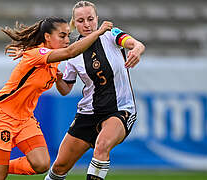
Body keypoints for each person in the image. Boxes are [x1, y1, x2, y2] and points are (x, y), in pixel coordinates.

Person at [0, 17, 113, 180]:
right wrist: (98, 32)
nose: (67, 40)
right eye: (62, 36)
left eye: (68, 36)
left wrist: (58, 78)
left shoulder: (51, 59)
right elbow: (70, 52)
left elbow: (65, 90)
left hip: (24, 119)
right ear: (47, 37)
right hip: (0, 116)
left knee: (41, 164)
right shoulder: (38, 54)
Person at [44, 1, 145, 180]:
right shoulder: (73, 53)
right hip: (88, 113)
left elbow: (135, 44)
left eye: (90, 19)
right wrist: (57, 77)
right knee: (59, 166)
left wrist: (136, 50)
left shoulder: (111, 35)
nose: (87, 24)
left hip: (120, 109)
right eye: (81, 20)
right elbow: (66, 89)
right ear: (75, 23)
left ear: (97, 19)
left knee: (102, 145)